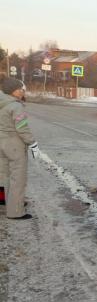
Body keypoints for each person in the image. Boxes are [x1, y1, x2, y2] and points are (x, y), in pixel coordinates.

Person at [0, 78, 39, 220]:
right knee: (18, 178)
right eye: (21, 90)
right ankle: (15, 211)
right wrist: (32, 143)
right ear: (13, 91)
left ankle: (3, 202)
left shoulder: (2, 102)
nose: (23, 92)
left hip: (1, 143)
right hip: (14, 145)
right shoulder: (15, 106)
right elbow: (22, 128)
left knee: (3, 176)